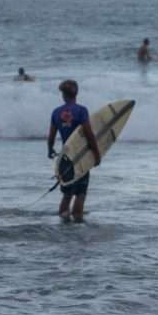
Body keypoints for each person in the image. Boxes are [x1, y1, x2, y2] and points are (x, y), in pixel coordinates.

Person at [47, 79, 101, 223]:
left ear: (63, 95)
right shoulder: (81, 111)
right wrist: (96, 154)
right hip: (81, 157)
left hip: (66, 158)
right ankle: (77, 223)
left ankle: (63, 223)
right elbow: (89, 135)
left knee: (67, 194)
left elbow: (51, 136)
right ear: (76, 93)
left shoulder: (56, 112)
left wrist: (50, 150)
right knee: (81, 193)